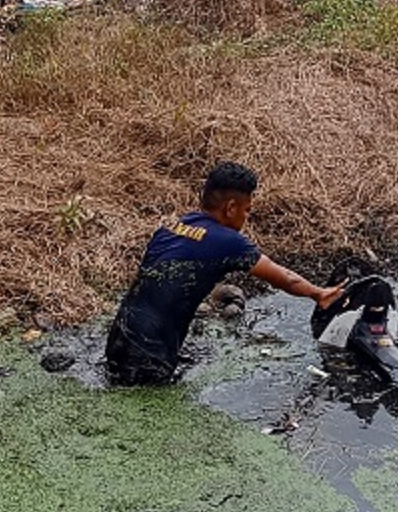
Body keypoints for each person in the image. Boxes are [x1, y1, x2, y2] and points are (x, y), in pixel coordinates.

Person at [105, 161, 346, 386]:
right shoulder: (228, 242)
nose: (246, 217)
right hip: (149, 356)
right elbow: (286, 278)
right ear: (231, 208)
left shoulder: (176, 225)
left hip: (118, 339)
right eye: (247, 210)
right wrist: (318, 294)